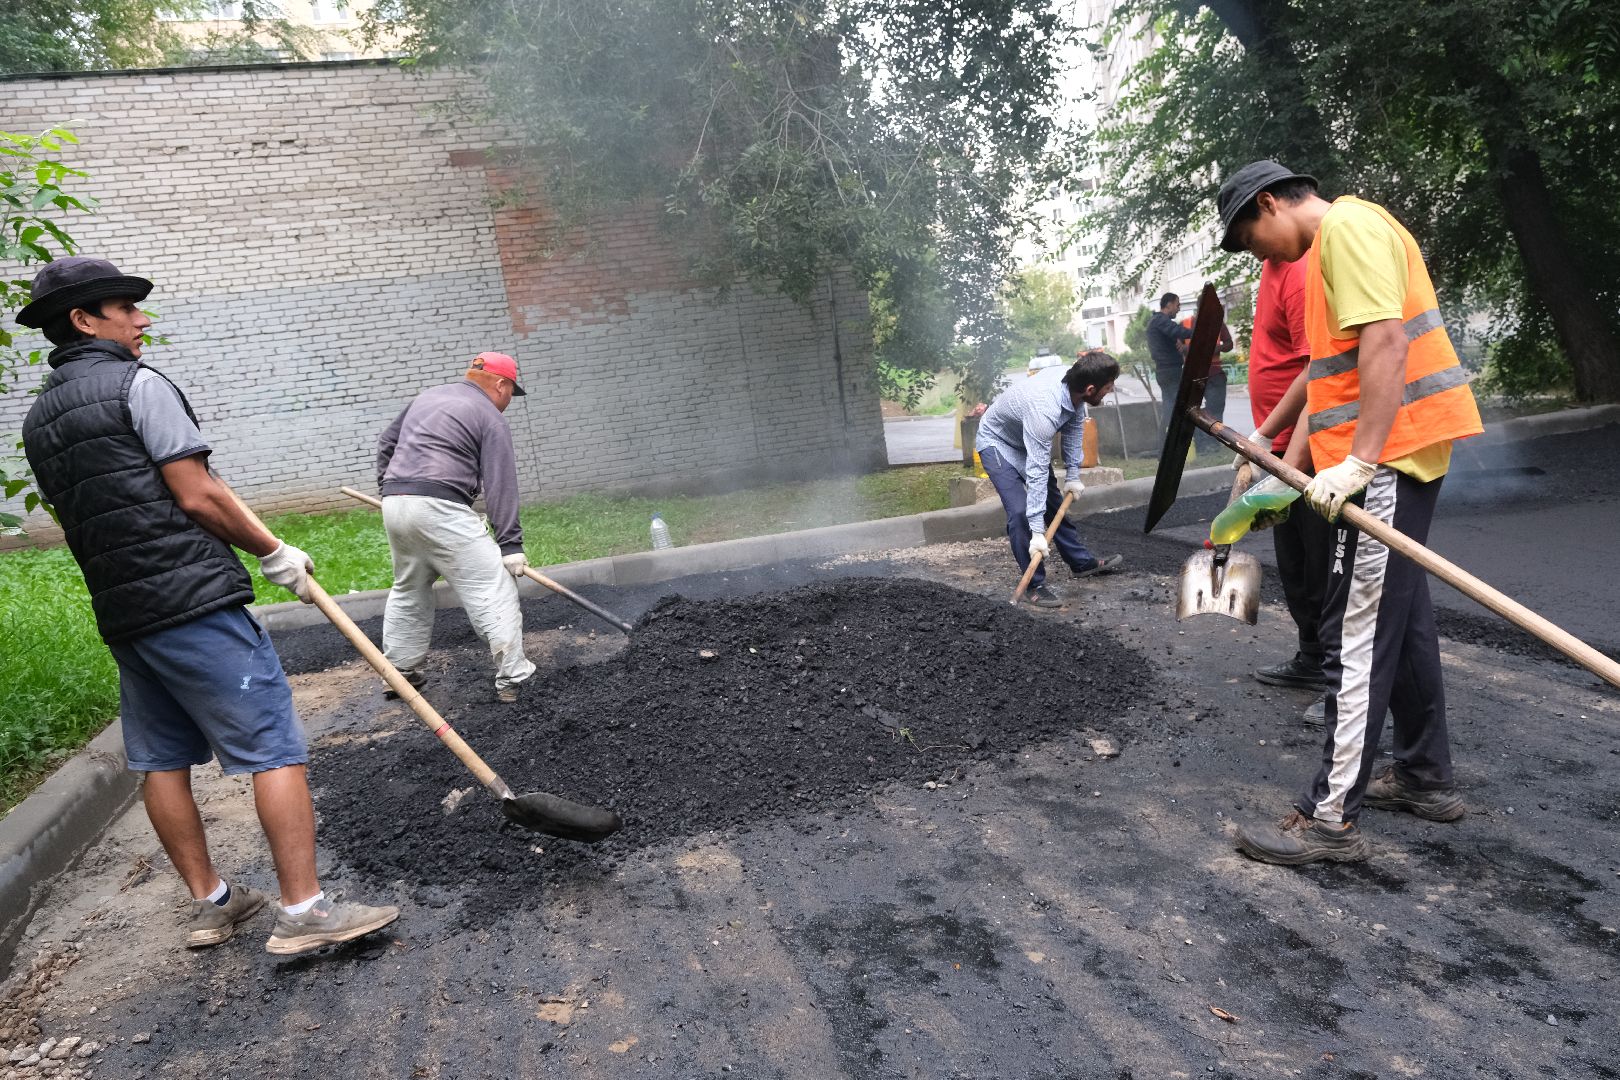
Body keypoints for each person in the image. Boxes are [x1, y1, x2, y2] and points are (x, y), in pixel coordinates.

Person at [17, 257, 399, 954]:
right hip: (190, 599)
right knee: (273, 748)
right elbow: (196, 493)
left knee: (161, 760)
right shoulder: (139, 385)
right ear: (82, 319)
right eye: (126, 308)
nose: (142, 320)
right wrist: (272, 549)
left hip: (125, 613)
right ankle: (305, 913)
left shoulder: (41, 419)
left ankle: (214, 904)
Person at [1214, 161, 1485, 865]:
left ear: (1270, 203)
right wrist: (1278, 461)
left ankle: (1329, 818)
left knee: (1356, 632)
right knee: (1404, 617)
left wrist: (1361, 461)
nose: (1258, 255)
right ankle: (1426, 778)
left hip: (1387, 459)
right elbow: (1323, 375)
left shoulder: (1350, 230)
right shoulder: (1325, 253)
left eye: (1251, 238)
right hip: (1381, 455)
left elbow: (1387, 343)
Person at [376, 352, 536, 703]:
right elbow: (501, 483)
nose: (509, 401)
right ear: (500, 384)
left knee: (409, 587)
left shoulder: (428, 396)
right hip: (440, 506)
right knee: (491, 586)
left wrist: (390, 490)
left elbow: (387, 443)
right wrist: (510, 546)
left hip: (396, 503)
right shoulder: (489, 417)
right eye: (511, 392)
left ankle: (399, 675)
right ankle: (514, 677)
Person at [1241, 254, 1334, 718]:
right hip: (1280, 451)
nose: (1246, 246)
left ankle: (1344, 684)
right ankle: (1312, 658)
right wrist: (1263, 449)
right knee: (1295, 564)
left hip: (1312, 450)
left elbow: (1318, 371)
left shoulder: (1298, 270)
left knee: (1326, 568)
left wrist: (1283, 457)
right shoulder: (1273, 264)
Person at [975, 349, 1125, 607]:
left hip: (1025, 436)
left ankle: (1080, 563)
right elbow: (1036, 470)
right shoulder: (1045, 409)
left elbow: (1075, 427)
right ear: (1090, 389)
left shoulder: (1073, 384)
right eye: (1108, 387)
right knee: (1021, 512)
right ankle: (1033, 584)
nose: (1110, 391)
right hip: (997, 442)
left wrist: (1074, 476)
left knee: (1053, 502)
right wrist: (1036, 532)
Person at [1146, 292, 1194, 447]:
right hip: (1169, 371)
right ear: (1168, 304)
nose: (1178, 309)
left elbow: (1174, 336)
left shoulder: (1159, 322)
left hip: (1167, 371)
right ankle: (1167, 446)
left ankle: (1165, 446)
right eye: (1177, 305)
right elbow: (1177, 331)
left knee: (1170, 409)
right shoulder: (1160, 320)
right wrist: (1199, 331)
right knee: (1174, 409)